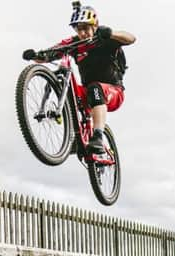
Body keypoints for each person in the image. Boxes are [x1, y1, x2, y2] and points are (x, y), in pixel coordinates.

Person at [53, 3, 135, 154]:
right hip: (89, 91)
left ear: (95, 25)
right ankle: (78, 137)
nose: (82, 33)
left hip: (113, 91)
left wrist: (111, 33)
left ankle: (97, 136)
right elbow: (54, 50)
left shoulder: (104, 38)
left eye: (85, 28)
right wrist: (37, 56)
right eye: (79, 29)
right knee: (68, 87)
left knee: (95, 88)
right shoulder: (75, 43)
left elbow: (130, 38)